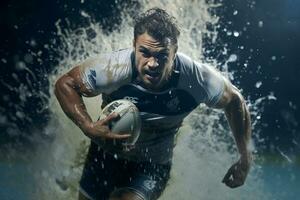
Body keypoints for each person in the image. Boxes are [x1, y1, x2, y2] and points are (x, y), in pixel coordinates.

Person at [55, 7, 252, 200]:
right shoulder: (114, 68)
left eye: (162, 55)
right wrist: (88, 126)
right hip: (104, 156)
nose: (153, 64)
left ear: (175, 51)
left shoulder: (195, 78)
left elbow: (235, 101)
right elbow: (66, 84)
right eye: (145, 52)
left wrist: (245, 157)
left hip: (152, 166)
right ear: (134, 45)